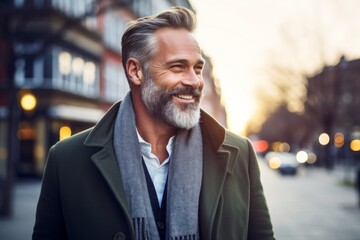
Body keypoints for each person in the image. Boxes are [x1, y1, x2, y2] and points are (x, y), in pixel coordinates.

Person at [33, 6, 275, 240]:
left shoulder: (239, 154)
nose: (194, 81)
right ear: (136, 71)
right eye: (178, 67)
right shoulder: (66, 160)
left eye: (198, 68)